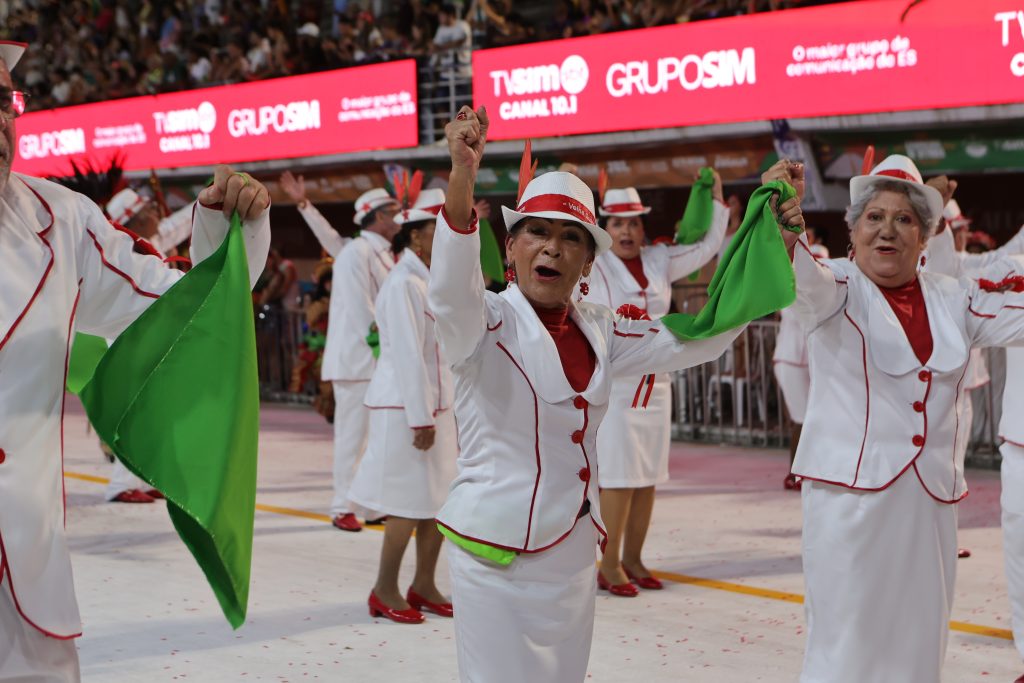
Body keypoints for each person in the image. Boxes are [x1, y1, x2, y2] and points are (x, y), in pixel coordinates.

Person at [428, 106, 802, 683]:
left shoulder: (602, 329)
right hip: (494, 556)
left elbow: (697, 336)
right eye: (538, 232)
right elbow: (451, 289)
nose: (552, 248)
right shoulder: (482, 323)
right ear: (509, 248)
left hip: (574, 555)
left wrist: (772, 240)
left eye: (571, 238)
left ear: (587, 263)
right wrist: (461, 176)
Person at [0, 41, 271, 683]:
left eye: (4, 101)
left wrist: (225, 226)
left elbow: (184, 309)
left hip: (24, 584)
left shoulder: (62, 220)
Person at [783, 153, 1024, 682]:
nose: (887, 230)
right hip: (851, 505)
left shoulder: (953, 296)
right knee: (848, 641)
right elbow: (795, 271)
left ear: (924, 236)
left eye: (904, 219)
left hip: (929, 504)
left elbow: (1015, 314)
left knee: (921, 633)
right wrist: (785, 221)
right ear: (853, 231)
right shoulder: (835, 287)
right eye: (874, 217)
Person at [582, 178, 728, 595]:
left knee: (648, 477)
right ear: (605, 226)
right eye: (618, 223)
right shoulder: (592, 263)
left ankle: (634, 558)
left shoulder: (659, 258)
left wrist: (717, 203)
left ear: (643, 226)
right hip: (616, 387)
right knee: (618, 478)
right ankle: (609, 564)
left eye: (634, 223)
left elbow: (705, 248)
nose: (627, 231)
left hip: (657, 385)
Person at [348, 190, 457, 624]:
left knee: (438, 504)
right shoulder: (403, 284)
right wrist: (420, 418)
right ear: (415, 236)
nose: (447, 236)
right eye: (438, 229)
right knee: (407, 505)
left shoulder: (431, 280)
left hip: (437, 408)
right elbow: (409, 355)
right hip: (406, 411)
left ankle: (424, 584)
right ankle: (384, 589)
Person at [323, 185, 400, 531]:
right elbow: (362, 310)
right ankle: (342, 506)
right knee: (352, 439)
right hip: (358, 360)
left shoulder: (384, 253)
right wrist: (388, 349)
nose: (400, 218)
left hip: (375, 360)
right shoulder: (357, 251)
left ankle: (368, 505)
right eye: (394, 212)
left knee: (375, 439)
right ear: (379, 216)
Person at [772, 225, 829, 490]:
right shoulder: (792, 289)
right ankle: (796, 473)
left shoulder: (816, 293)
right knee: (802, 418)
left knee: (811, 418)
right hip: (790, 359)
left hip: (807, 361)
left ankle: (807, 471)